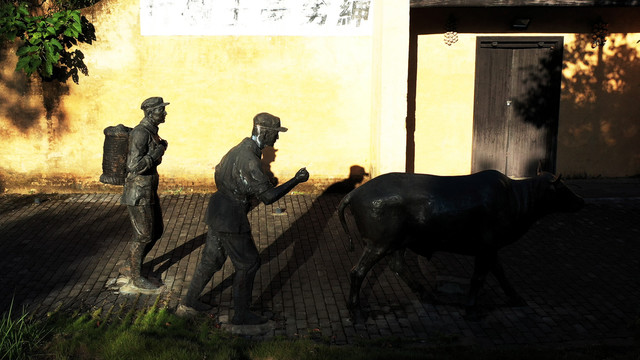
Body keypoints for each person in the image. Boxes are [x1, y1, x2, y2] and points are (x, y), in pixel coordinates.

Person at [179, 112, 309, 325]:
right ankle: (241, 314)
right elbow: (268, 197)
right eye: (275, 134)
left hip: (217, 210)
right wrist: (296, 180)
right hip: (231, 217)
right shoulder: (250, 160)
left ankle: (190, 300)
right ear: (263, 131)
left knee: (211, 260)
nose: (276, 139)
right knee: (249, 263)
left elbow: (219, 175)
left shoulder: (235, 150)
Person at [119, 97, 169, 294]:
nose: (164, 114)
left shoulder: (151, 132)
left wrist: (159, 149)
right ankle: (136, 277)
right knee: (143, 235)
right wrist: (156, 153)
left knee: (156, 231)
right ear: (150, 113)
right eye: (160, 110)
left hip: (148, 190)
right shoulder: (141, 133)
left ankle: (129, 264)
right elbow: (133, 166)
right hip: (138, 193)